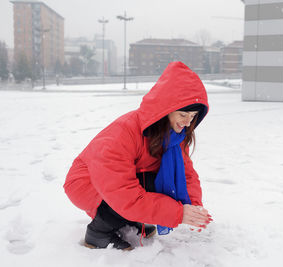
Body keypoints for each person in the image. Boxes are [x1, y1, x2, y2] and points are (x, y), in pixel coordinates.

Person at [64, 61, 212, 250]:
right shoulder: (124, 133)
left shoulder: (173, 135)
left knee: (163, 180)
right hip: (88, 183)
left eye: (193, 117)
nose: (187, 122)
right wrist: (176, 213)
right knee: (146, 186)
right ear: (166, 109)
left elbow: (185, 174)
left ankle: (132, 221)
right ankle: (98, 233)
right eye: (183, 114)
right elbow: (122, 193)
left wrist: (194, 206)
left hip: (122, 181)